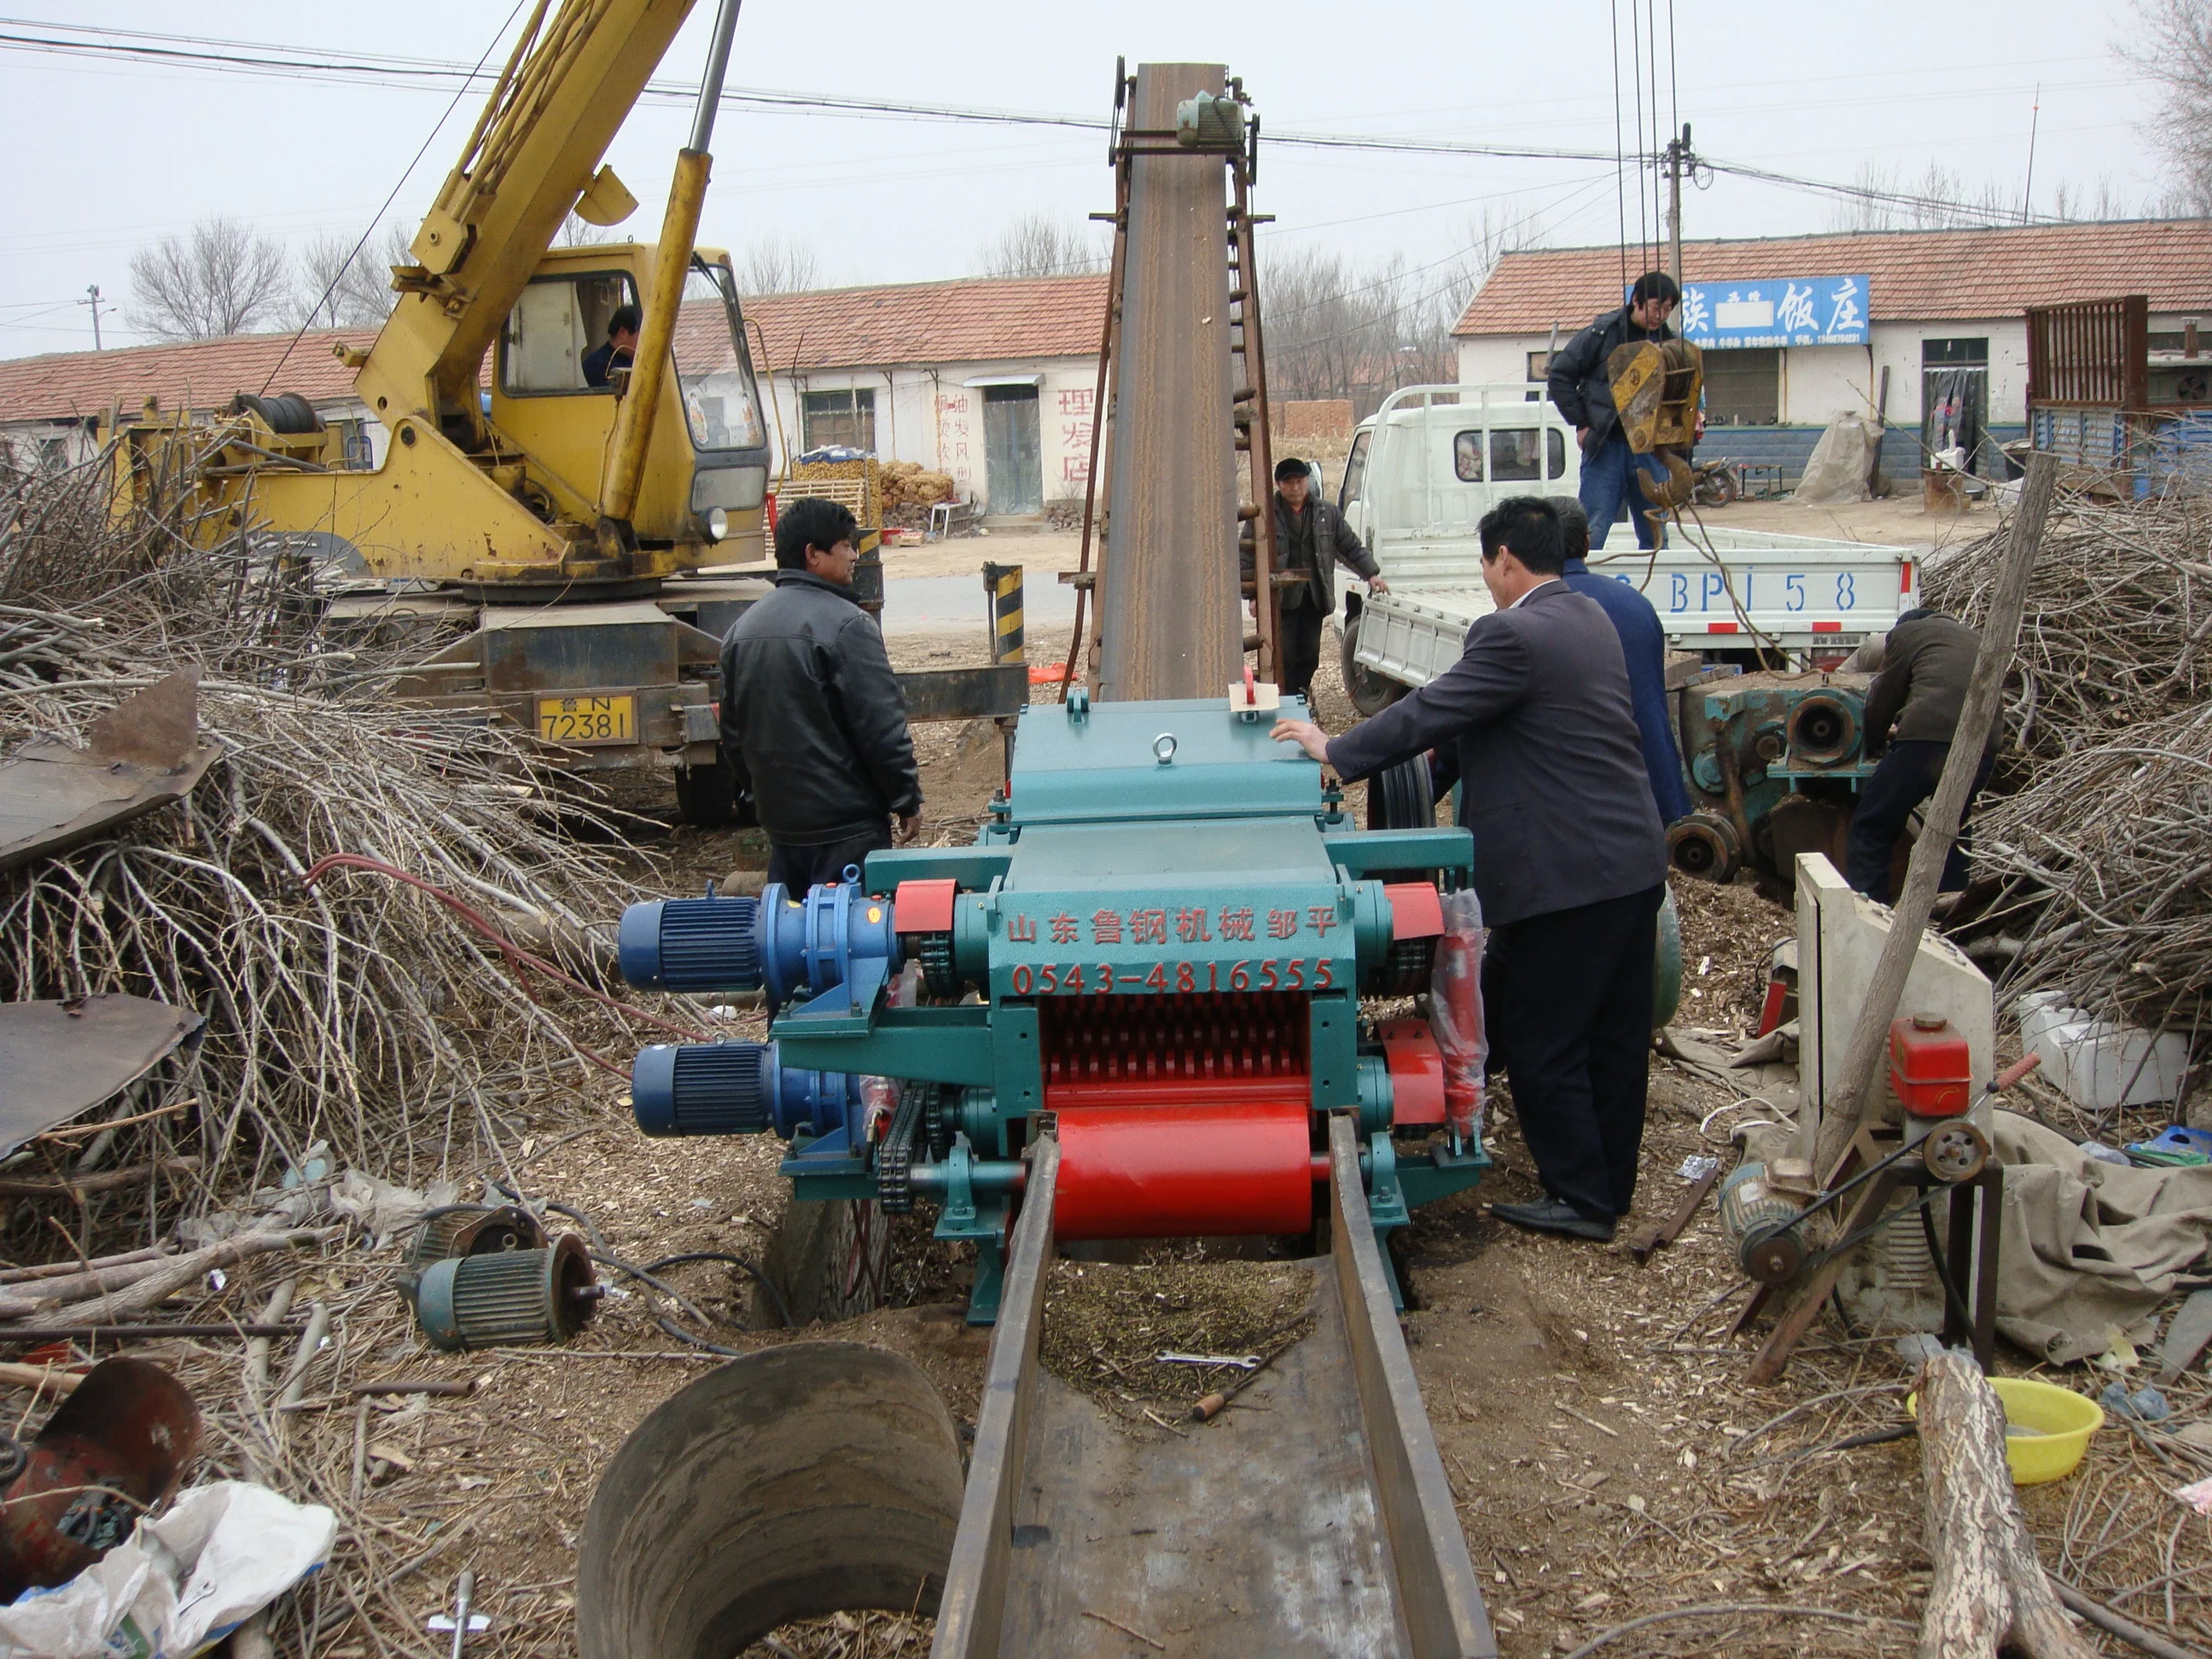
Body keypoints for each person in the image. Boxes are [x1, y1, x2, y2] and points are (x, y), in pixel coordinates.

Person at [1271, 497, 1668, 1242]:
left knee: (1541, 1033)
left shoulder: (1510, 633)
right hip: (1632, 864)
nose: (1487, 580)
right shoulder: (1590, 621)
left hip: (1566, 881)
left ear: (1506, 560)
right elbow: (1475, 733)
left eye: (1487, 565)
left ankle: (1579, 1200)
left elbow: (1434, 708)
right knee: (1616, 1038)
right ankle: (1609, 1190)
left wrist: (1337, 751)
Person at [719, 496, 923, 894]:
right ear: (813, 554)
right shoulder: (848, 627)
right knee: (851, 942)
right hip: (847, 833)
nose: (853, 555)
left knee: (788, 941)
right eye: (845, 545)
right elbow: (881, 727)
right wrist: (907, 800)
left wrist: (758, 798)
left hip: (784, 832)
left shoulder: (740, 632)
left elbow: (733, 735)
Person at [1549, 497, 1691, 824]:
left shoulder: (1534, 613)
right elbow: (1649, 703)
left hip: (1580, 811)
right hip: (1655, 797)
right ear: (1587, 542)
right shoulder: (1635, 604)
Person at [1844, 607, 1996, 905]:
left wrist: (1872, 742)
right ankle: (1950, 912)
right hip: (1982, 749)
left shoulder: (1905, 634)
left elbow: (1885, 696)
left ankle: (1869, 909)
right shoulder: (1977, 637)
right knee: (1952, 830)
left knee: (1873, 825)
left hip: (1924, 746)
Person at [1547, 271, 1681, 550]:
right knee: (1592, 529)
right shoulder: (1601, 333)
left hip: (1651, 450)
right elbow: (1560, 375)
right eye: (1657, 307)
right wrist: (1581, 422)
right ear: (1637, 301)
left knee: (1656, 531)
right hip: (1606, 445)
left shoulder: (1672, 344)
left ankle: (1653, 589)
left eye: (1668, 310)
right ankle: (1583, 589)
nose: (1661, 315)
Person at [1254, 456, 1388, 707]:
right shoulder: (1265, 515)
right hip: (1280, 599)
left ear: (1308, 481)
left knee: (1309, 656)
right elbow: (1247, 556)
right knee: (1284, 655)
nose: (1296, 488)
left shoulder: (1326, 512)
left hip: (1314, 596)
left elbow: (1349, 546)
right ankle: (1286, 702)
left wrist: (1371, 573)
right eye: (1289, 483)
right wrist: (1253, 595)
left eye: (1300, 481)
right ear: (1279, 485)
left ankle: (1299, 699)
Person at [583, 304, 642, 388]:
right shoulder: (595, 367)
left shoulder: (638, 362)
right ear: (623, 332)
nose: (644, 341)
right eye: (642, 335)